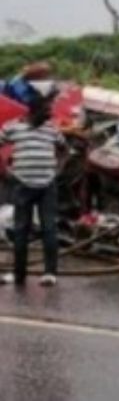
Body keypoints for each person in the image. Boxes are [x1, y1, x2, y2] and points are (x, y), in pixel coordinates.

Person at [0, 95, 66, 287]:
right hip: (22, 184)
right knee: (21, 230)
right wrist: (4, 171)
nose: (49, 113)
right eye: (46, 110)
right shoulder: (13, 127)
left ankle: (49, 273)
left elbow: (64, 149)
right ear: (33, 111)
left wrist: (58, 170)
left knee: (49, 228)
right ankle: (19, 274)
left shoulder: (51, 129)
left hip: (47, 185)